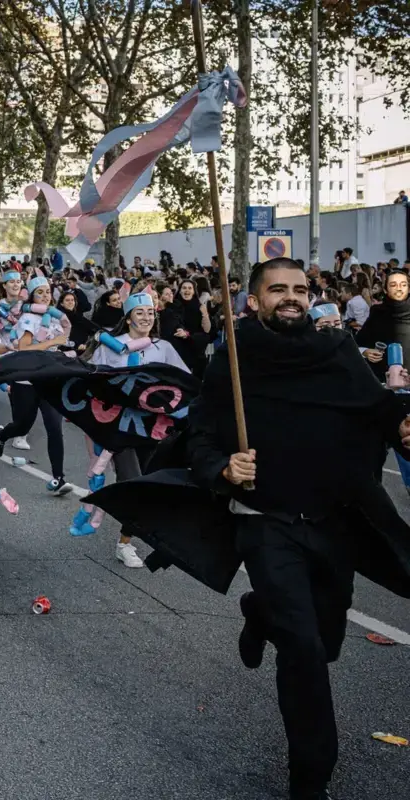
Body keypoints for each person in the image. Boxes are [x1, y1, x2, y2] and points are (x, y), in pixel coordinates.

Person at [189, 258, 410, 800]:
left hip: (335, 522)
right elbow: (198, 435)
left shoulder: (335, 350)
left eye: (300, 289)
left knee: (327, 641)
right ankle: (310, 777)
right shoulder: (233, 360)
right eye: (278, 289)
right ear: (254, 300)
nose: (291, 297)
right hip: (267, 524)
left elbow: (373, 409)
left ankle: (258, 611)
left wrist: (401, 426)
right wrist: (223, 467)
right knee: (304, 651)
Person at [87, 292, 189, 568]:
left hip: (152, 426)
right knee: (132, 482)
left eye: (150, 313)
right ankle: (126, 545)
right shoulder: (112, 345)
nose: (146, 318)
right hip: (120, 426)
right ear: (128, 316)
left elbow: (183, 379)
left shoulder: (163, 347)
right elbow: (93, 377)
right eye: (140, 312)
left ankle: (125, 539)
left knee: (145, 483)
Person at [0, 277, 73, 495]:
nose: (46, 296)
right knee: (23, 425)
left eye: (48, 291)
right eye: (40, 293)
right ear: (32, 296)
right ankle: (2, 435)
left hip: (49, 380)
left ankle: (59, 478)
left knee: (54, 427)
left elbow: (60, 345)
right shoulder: (27, 318)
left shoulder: (55, 318)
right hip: (25, 381)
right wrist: (52, 343)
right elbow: (24, 348)